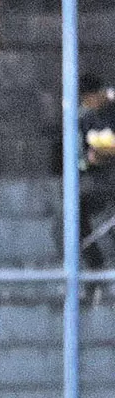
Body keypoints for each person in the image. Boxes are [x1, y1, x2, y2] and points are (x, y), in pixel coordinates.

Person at [78, 75, 115, 270]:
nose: (88, 103)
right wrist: (91, 157)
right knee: (73, 211)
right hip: (100, 179)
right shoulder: (87, 118)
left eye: (90, 97)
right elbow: (84, 154)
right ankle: (95, 264)